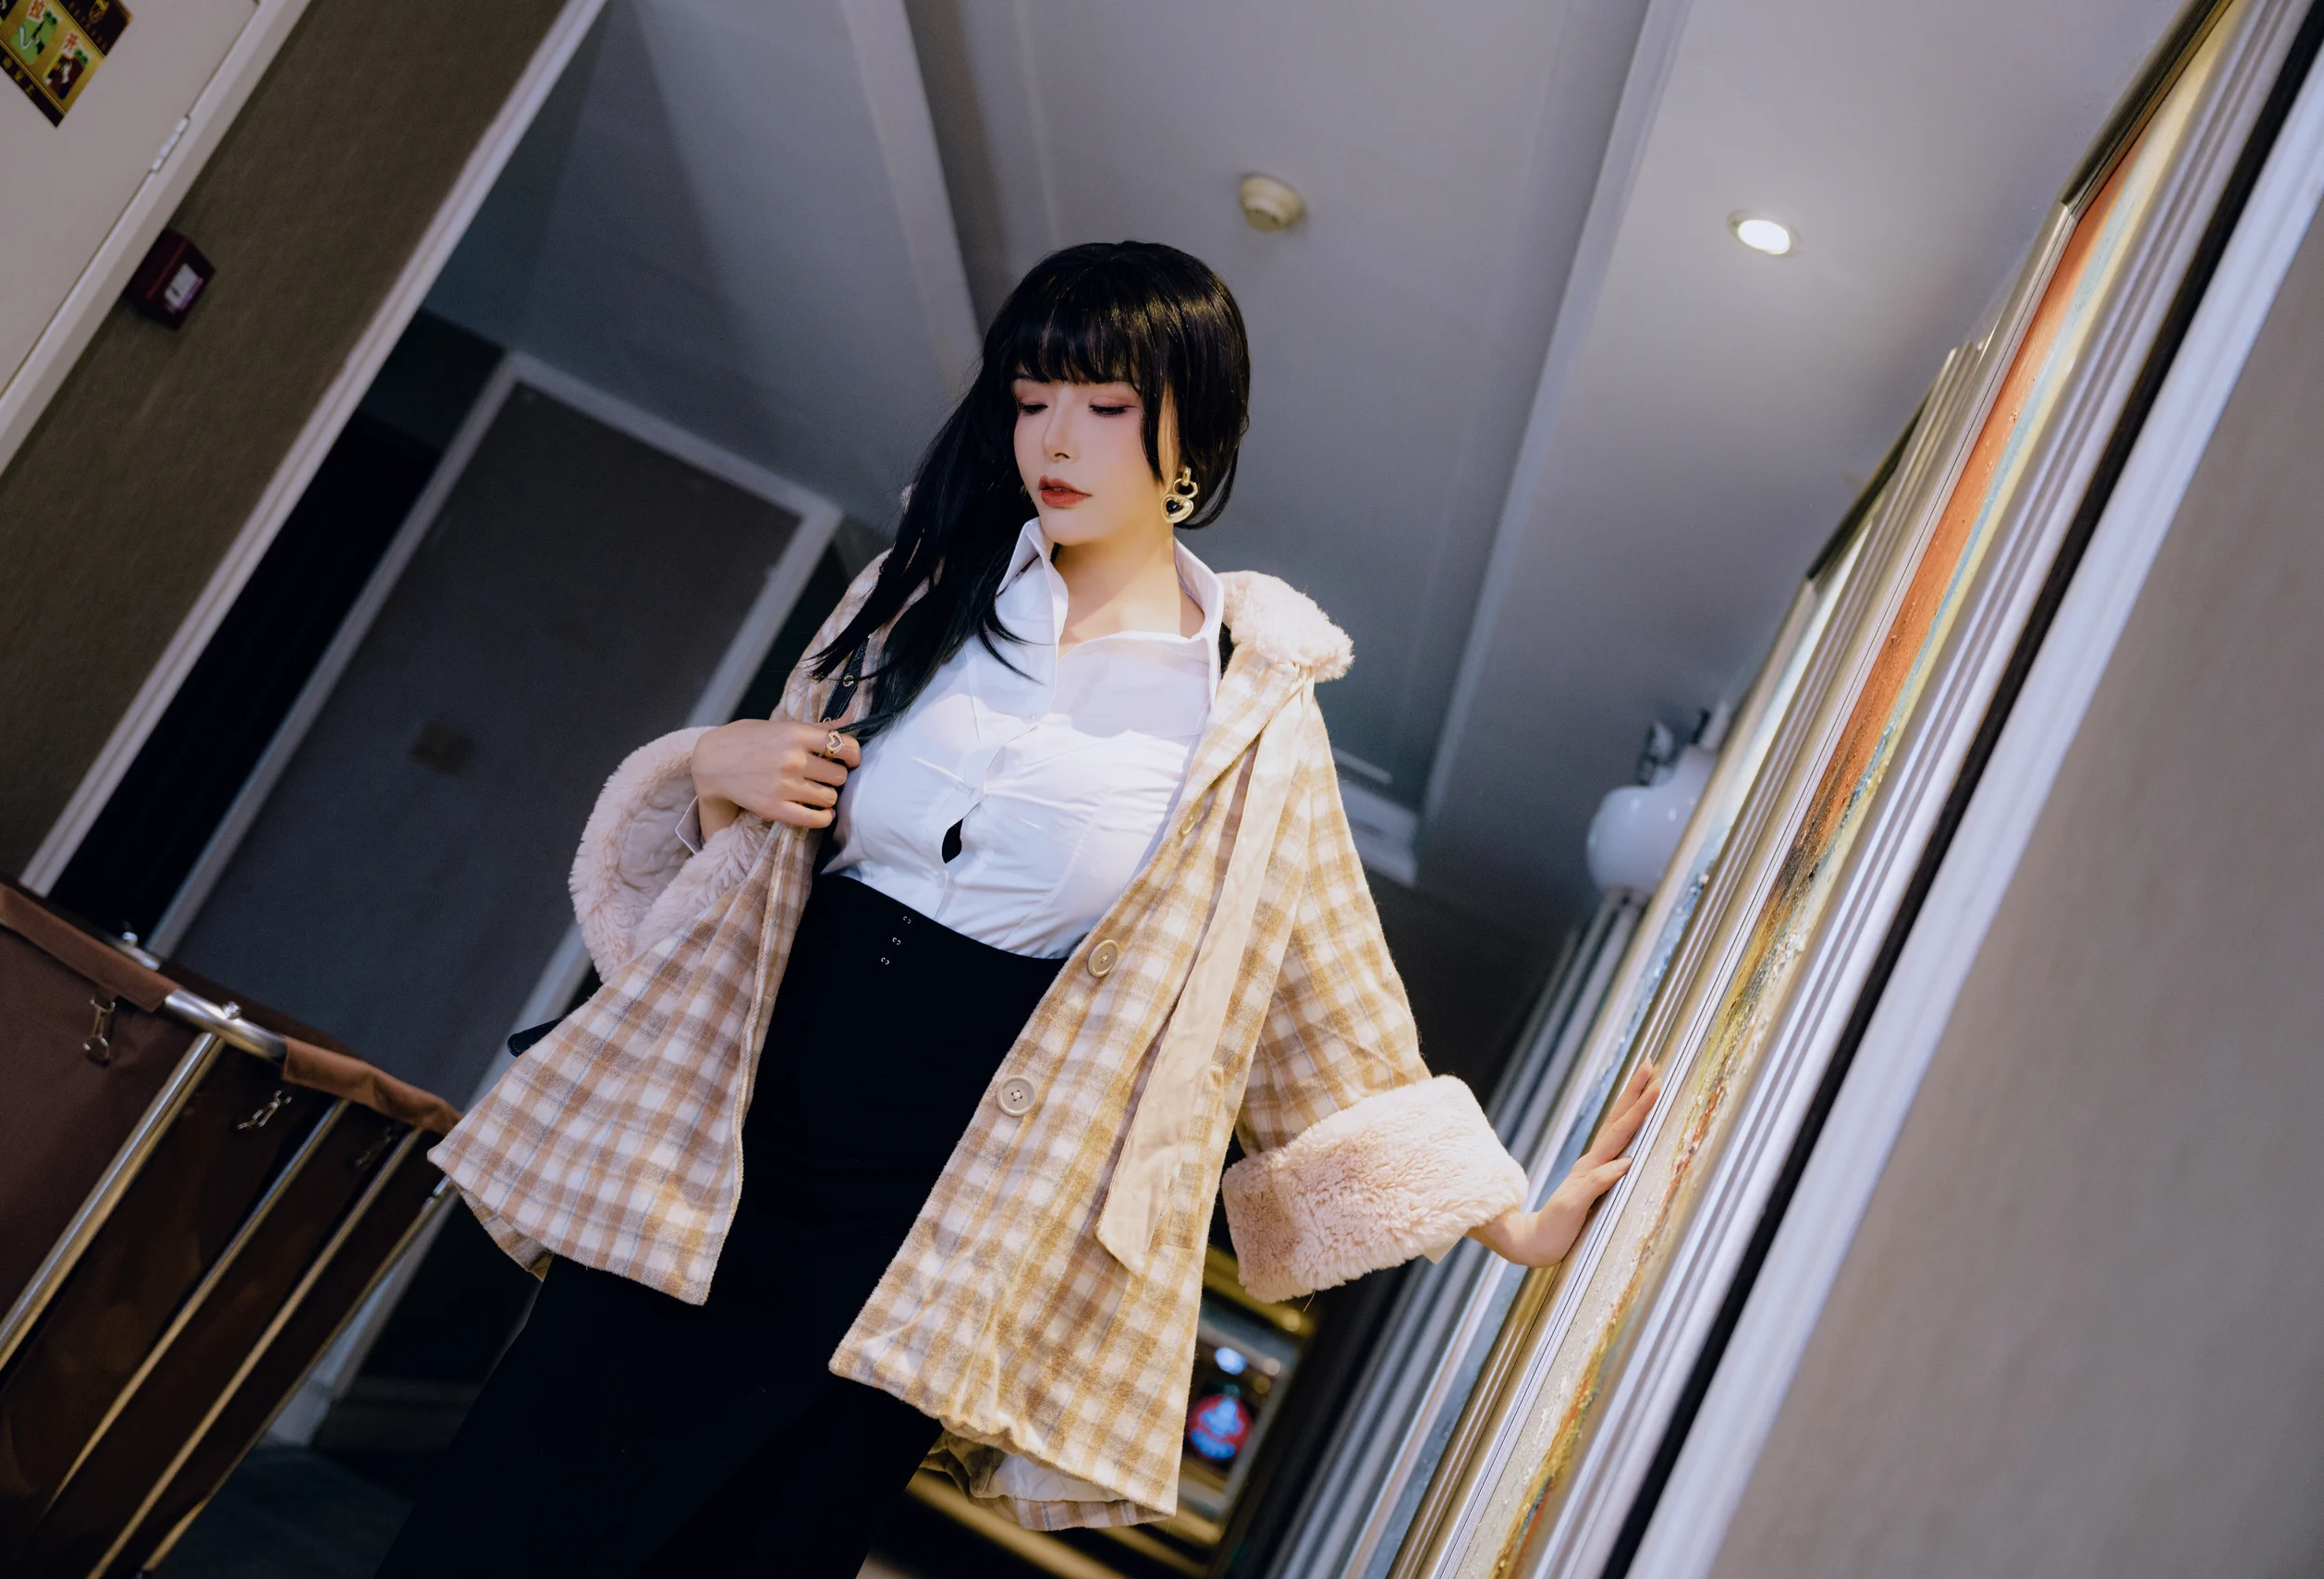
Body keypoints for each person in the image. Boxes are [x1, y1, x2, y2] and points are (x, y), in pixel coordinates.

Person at [383, 240, 1658, 1577]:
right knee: (517, 1507)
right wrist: (716, 765)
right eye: (1032, 396)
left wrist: (1512, 1224)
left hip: (944, 1200)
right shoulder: (916, 591)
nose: (1055, 439)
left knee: (756, 1543)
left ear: (1196, 436)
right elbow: (740, 889)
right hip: (732, 1130)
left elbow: (1323, 997)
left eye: (1105, 406)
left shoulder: (1248, 713)